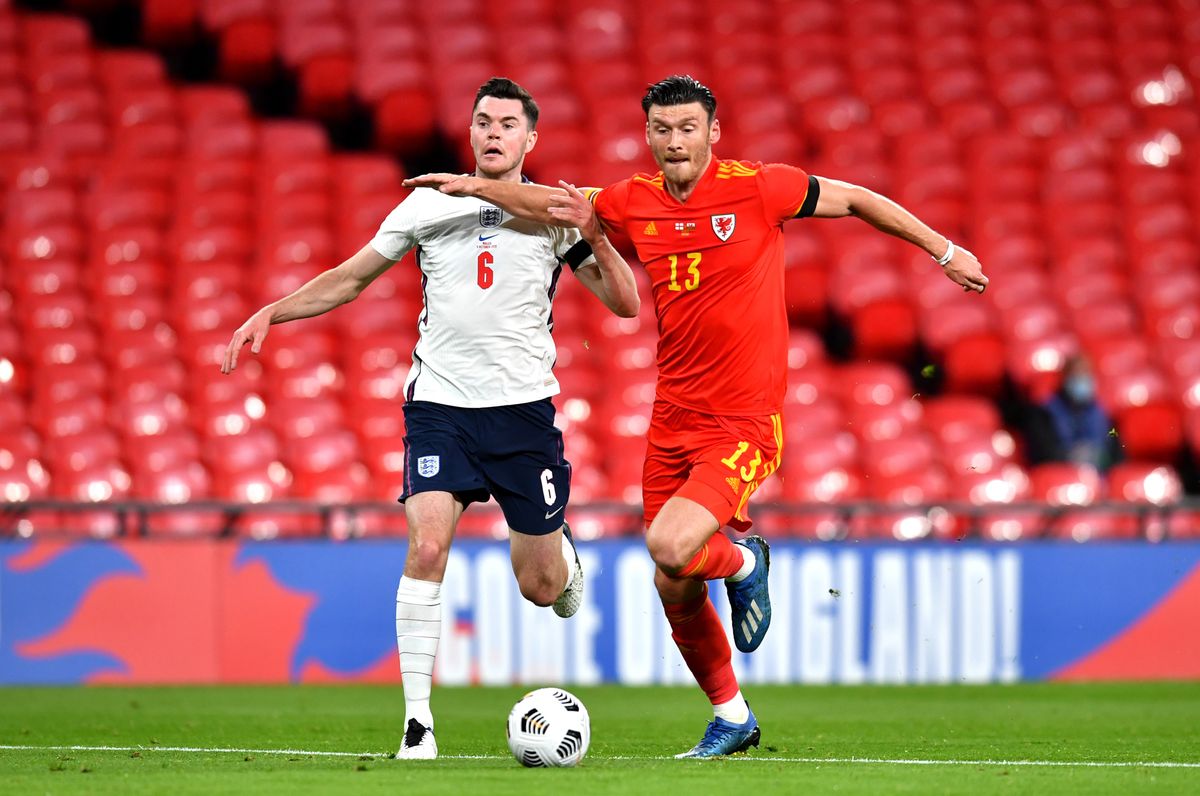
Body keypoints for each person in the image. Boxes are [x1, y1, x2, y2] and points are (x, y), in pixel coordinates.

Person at [404, 75, 989, 758]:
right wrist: (477, 187)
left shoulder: (762, 187)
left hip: (742, 420)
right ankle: (733, 716)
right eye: (662, 129)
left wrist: (944, 251)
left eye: (688, 128)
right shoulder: (634, 199)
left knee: (671, 547)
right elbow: (555, 203)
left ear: (714, 132)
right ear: (647, 135)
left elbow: (856, 198)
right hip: (672, 418)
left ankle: (743, 562)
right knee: (672, 580)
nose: (675, 141)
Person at [221, 77, 640, 760]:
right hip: (440, 408)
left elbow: (625, 305)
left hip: (522, 415)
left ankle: (560, 552)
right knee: (426, 548)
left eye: (508, 123)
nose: (494, 132)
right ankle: (418, 725)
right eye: (483, 121)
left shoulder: (555, 214)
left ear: (531, 139)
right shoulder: (424, 206)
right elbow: (351, 277)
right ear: (470, 133)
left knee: (540, 588)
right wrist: (273, 310)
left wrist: (593, 229)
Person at [1023, 354, 1121, 472]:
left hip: (1100, 476)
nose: (1082, 380)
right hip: (1063, 476)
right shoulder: (1044, 414)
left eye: (1085, 375)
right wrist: (1069, 457)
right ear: (1065, 378)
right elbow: (1043, 451)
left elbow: (1114, 442)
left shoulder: (1103, 415)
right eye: (1076, 375)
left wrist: (1104, 457)